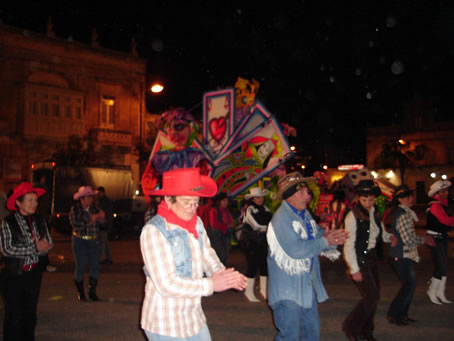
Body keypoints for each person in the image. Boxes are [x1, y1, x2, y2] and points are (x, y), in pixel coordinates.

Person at [140, 168, 247, 340]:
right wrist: (211, 284)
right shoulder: (153, 231)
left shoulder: (195, 221)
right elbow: (166, 284)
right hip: (165, 321)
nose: (192, 208)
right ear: (168, 199)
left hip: (193, 316)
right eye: (186, 202)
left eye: (196, 202)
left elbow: (206, 252)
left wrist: (220, 273)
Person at [267, 172, 346, 341]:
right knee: (290, 337)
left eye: (307, 191)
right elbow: (296, 250)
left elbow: (318, 237)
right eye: (302, 192)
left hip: (305, 288)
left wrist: (333, 239)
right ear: (290, 196)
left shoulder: (305, 215)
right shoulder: (281, 219)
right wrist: (325, 241)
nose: (308, 196)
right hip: (287, 292)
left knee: (311, 335)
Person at [342, 179, 395, 341]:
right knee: (371, 296)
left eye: (370, 199)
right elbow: (348, 244)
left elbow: (378, 231)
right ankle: (351, 328)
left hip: (372, 257)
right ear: (358, 198)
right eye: (364, 200)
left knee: (374, 296)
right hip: (360, 258)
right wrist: (354, 268)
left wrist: (389, 237)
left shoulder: (375, 211)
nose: (367, 203)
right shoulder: (352, 216)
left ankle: (366, 331)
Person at [0, 182, 53, 341]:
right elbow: (7, 249)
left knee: (30, 313)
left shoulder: (39, 220)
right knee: (15, 314)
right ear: (18, 202)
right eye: (30, 200)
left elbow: (48, 243)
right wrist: (34, 247)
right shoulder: (7, 222)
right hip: (14, 275)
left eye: (35, 200)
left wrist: (44, 246)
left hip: (33, 273)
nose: (34, 204)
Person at [387, 184, 435, 325]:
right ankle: (394, 314)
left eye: (411, 196)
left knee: (409, 285)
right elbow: (407, 239)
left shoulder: (405, 213)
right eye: (407, 197)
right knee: (409, 285)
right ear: (400, 200)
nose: (411, 199)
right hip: (400, 255)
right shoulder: (403, 215)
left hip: (403, 254)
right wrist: (424, 239)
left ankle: (401, 315)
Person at [69, 186, 105, 302]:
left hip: (93, 240)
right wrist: (91, 219)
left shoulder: (95, 209)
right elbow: (76, 224)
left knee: (94, 266)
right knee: (80, 267)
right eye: (88, 197)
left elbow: (104, 222)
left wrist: (101, 218)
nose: (90, 200)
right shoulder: (75, 209)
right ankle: (81, 292)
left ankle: (92, 291)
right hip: (79, 240)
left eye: (91, 197)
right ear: (82, 199)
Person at [426, 179, 454, 304]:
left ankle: (440, 292)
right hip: (435, 238)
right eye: (442, 191)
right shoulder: (435, 205)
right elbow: (445, 221)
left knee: (443, 266)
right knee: (441, 266)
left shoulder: (443, 204)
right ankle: (432, 291)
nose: (445, 193)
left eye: (446, 191)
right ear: (436, 193)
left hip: (442, 237)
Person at [241, 187, 272, 302]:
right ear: (253, 199)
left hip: (263, 241)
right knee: (252, 266)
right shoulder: (249, 209)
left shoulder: (265, 209)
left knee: (264, 266)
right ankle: (248, 291)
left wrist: (267, 225)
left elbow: (270, 222)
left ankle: (263, 290)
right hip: (251, 242)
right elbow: (257, 225)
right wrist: (268, 226)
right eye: (258, 197)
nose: (260, 199)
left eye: (262, 197)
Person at [208, 192, 234, 266]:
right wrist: (227, 226)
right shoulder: (214, 210)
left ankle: (223, 268)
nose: (226, 202)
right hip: (217, 236)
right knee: (220, 254)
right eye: (224, 201)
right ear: (219, 201)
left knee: (225, 254)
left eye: (227, 201)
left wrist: (230, 224)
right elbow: (213, 224)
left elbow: (230, 220)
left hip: (225, 235)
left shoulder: (226, 210)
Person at [97, 186, 113, 265]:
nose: (98, 194)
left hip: (104, 225)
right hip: (103, 224)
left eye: (99, 193)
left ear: (103, 193)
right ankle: (109, 258)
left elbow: (109, 214)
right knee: (105, 242)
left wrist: (108, 225)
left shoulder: (106, 202)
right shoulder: (101, 201)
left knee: (102, 242)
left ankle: (100, 259)